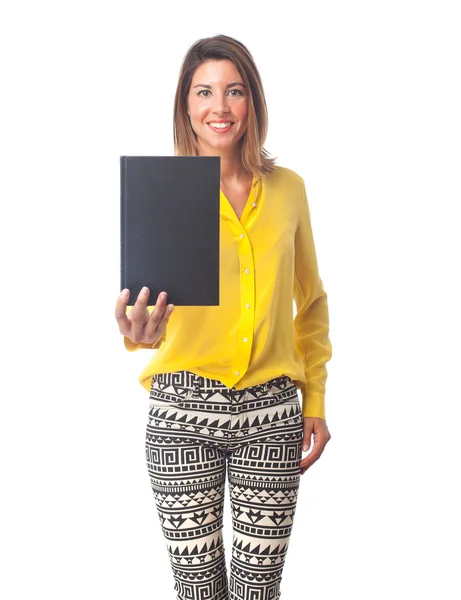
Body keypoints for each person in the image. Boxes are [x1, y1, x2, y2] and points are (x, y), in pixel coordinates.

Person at [115, 34, 332, 600]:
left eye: (234, 91)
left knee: (260, 593)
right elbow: (147, 313)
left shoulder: (289, 191)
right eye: (203, 91)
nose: (219, 106)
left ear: (252, 101)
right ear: (185, 106)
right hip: (180, 414)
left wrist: (316, 400)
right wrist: (139, 335)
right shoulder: (162, 193)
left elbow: (310, 303)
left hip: (273, 417)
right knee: (198, 592)